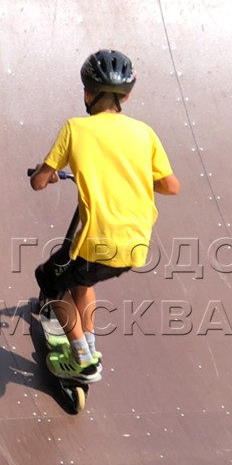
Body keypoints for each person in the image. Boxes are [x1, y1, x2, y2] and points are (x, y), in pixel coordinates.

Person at [29, 49, 181, 380]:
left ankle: (83, 360)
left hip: (97, 239)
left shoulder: (75, 129)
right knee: (82, 281)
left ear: (87, 92)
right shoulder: (145, 132)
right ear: (126, 95)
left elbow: (38, 182)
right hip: (136, 244)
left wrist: (50, 173)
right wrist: (131, 174)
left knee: (50, 280)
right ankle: (89, 343)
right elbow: (171, 186)